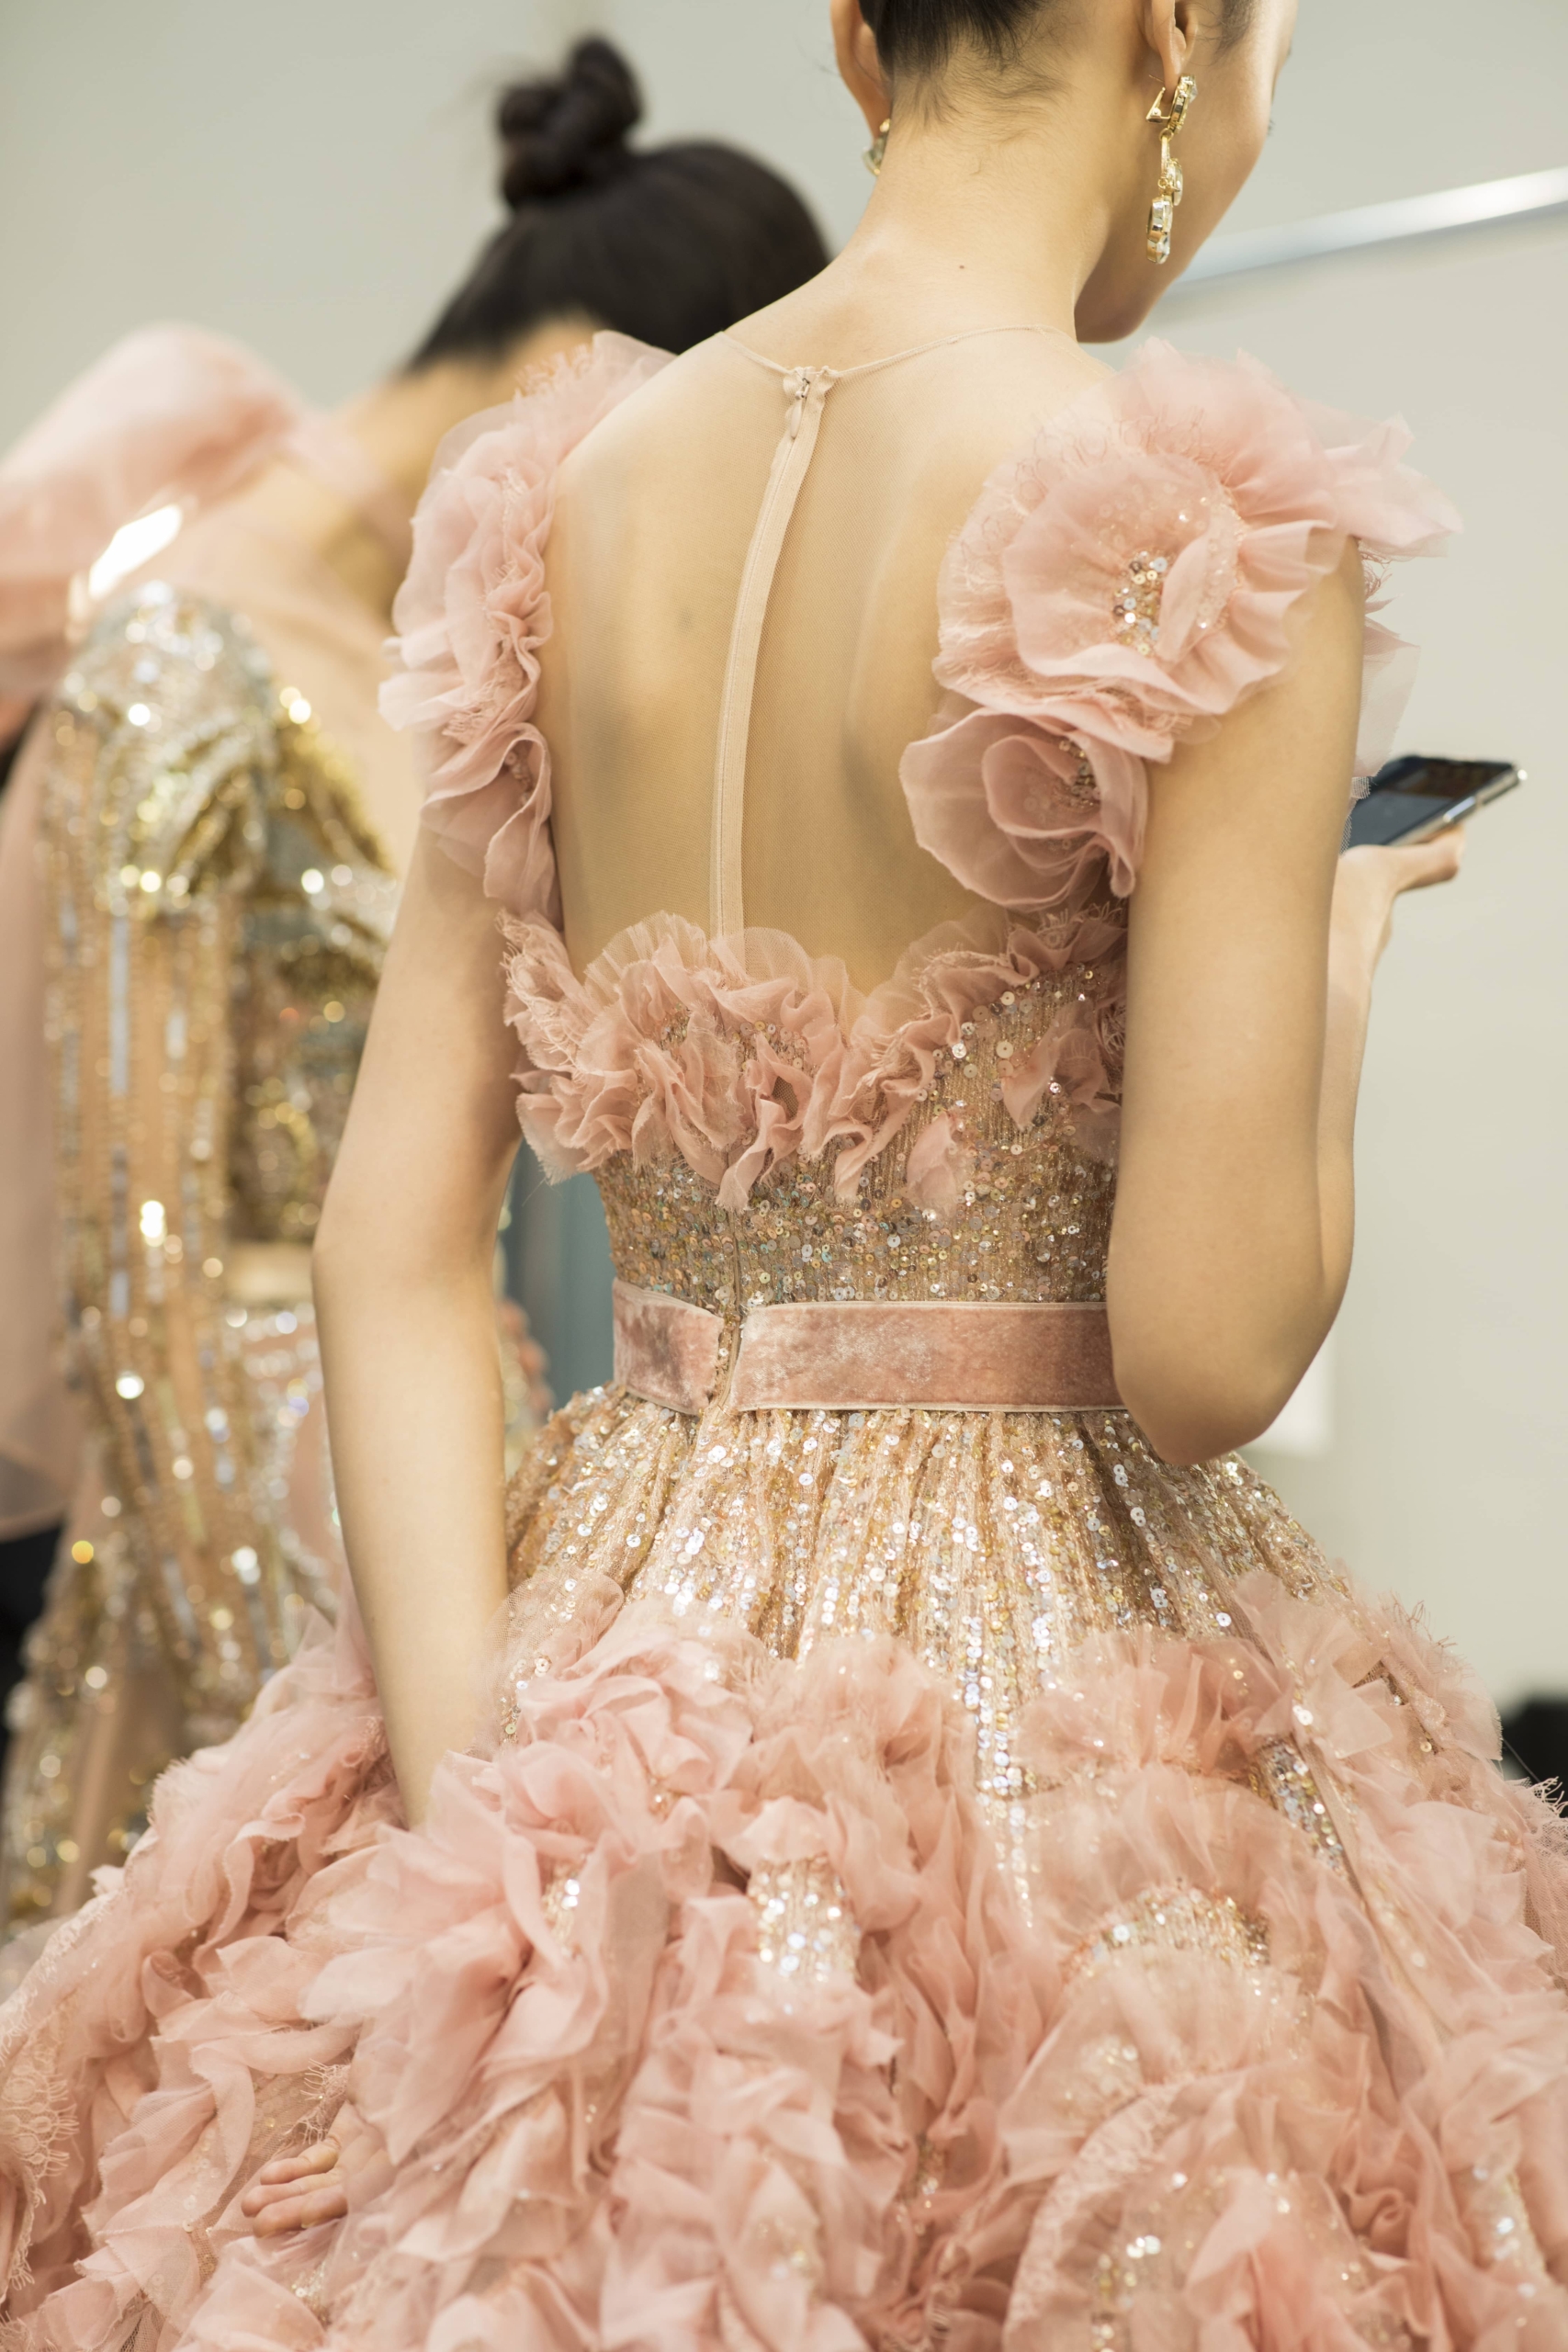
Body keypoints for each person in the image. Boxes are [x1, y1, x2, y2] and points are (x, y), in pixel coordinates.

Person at [2, 0, 1565, 2342]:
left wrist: (488, 1815)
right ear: (1176, 34)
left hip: (596, 1636)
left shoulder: (550, 504)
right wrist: (1323, 974)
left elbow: (388, 1242)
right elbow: (1206, 1349)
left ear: (853, 38)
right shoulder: (1209, 533)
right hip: (1041, 1696)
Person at [0, 35, 829, 1935]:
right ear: (600, 380)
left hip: (448, 1458)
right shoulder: (187, 661)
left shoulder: (440, 639)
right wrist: (282, 1727)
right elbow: (139, 1271)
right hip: (247, 1532)